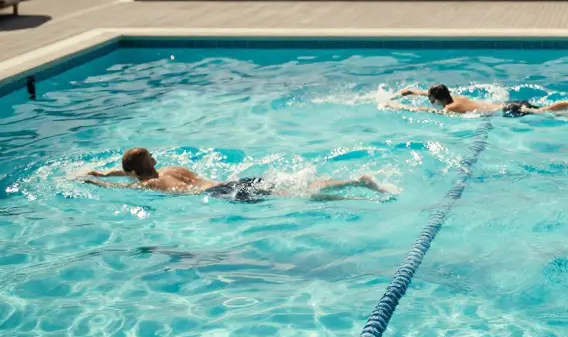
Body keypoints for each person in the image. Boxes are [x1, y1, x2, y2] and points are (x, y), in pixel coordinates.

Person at [81, 147, 393, 203]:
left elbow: (126, 184)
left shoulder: (150, 183)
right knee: (293, 185)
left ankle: (353, 193)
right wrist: (108, 171)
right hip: (233, 182)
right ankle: (353, 181)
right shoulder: (171, 169)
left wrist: (95, 179)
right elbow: (132, 171)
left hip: (222, 195)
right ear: (151, 160)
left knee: (298, 195)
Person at [389, 83, 568, 118]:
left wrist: (397, 105)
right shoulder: (455, 96)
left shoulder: (451, 108)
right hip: (509, 104)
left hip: (509, 111)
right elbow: (425, 96)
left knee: (550, 112)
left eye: (430, 99)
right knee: (546, 108)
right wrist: (411, 92)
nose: (430, 102)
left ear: (437, 99)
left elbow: (427, 112)